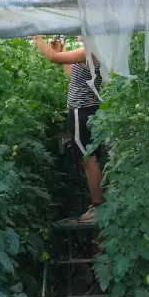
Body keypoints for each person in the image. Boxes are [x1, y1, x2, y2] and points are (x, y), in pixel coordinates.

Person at [33, 35, 104, 223]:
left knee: (87, 157)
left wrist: (37, 37)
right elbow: (73, 75)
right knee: (89, 157)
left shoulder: (89, 51)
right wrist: (61, 52)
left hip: (81, 111)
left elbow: (53, 59)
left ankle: (98, 206)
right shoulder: (94, 52)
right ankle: (99, 205)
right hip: (89, 110)